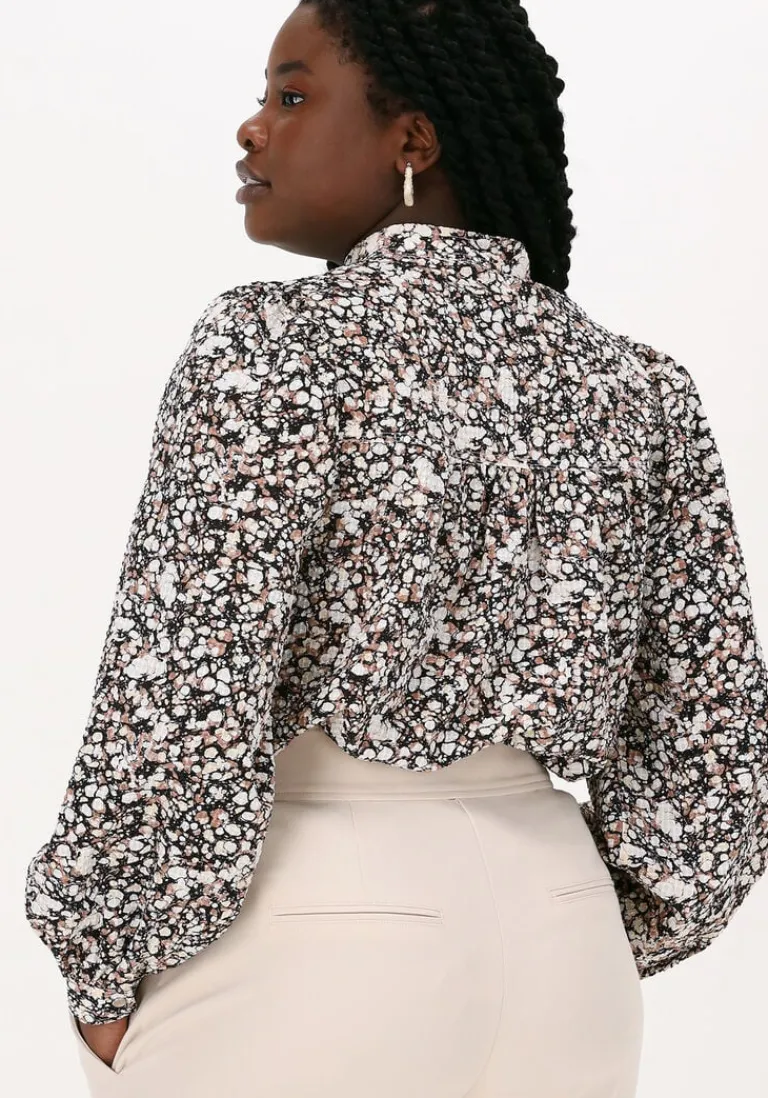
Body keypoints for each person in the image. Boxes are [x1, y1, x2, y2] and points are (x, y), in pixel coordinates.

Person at [24, 2, 768, 1096]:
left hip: (312, 932)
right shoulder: (640, 387)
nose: (252, 128)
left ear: (412, 140)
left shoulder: (270, 348)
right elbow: (713, 739)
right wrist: (610, 923)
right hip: (566, 950)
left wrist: (101, 958)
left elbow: (182, 690)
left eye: (292, 95)